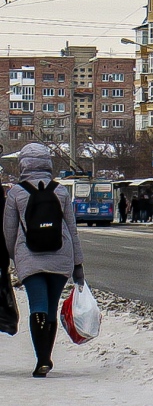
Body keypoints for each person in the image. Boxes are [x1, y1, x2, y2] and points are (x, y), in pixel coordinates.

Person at [2, 143, 85, 377]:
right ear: (47, 164)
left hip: (30, 258)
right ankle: (46, 356)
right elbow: (71, 228)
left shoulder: (16, 193)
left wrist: (15, 257)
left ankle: (42, 359)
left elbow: (9, 232)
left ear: (23, 164)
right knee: (51, 306)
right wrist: (77, 263)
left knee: (37, 305)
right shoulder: (61, 191)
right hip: (61, 256)